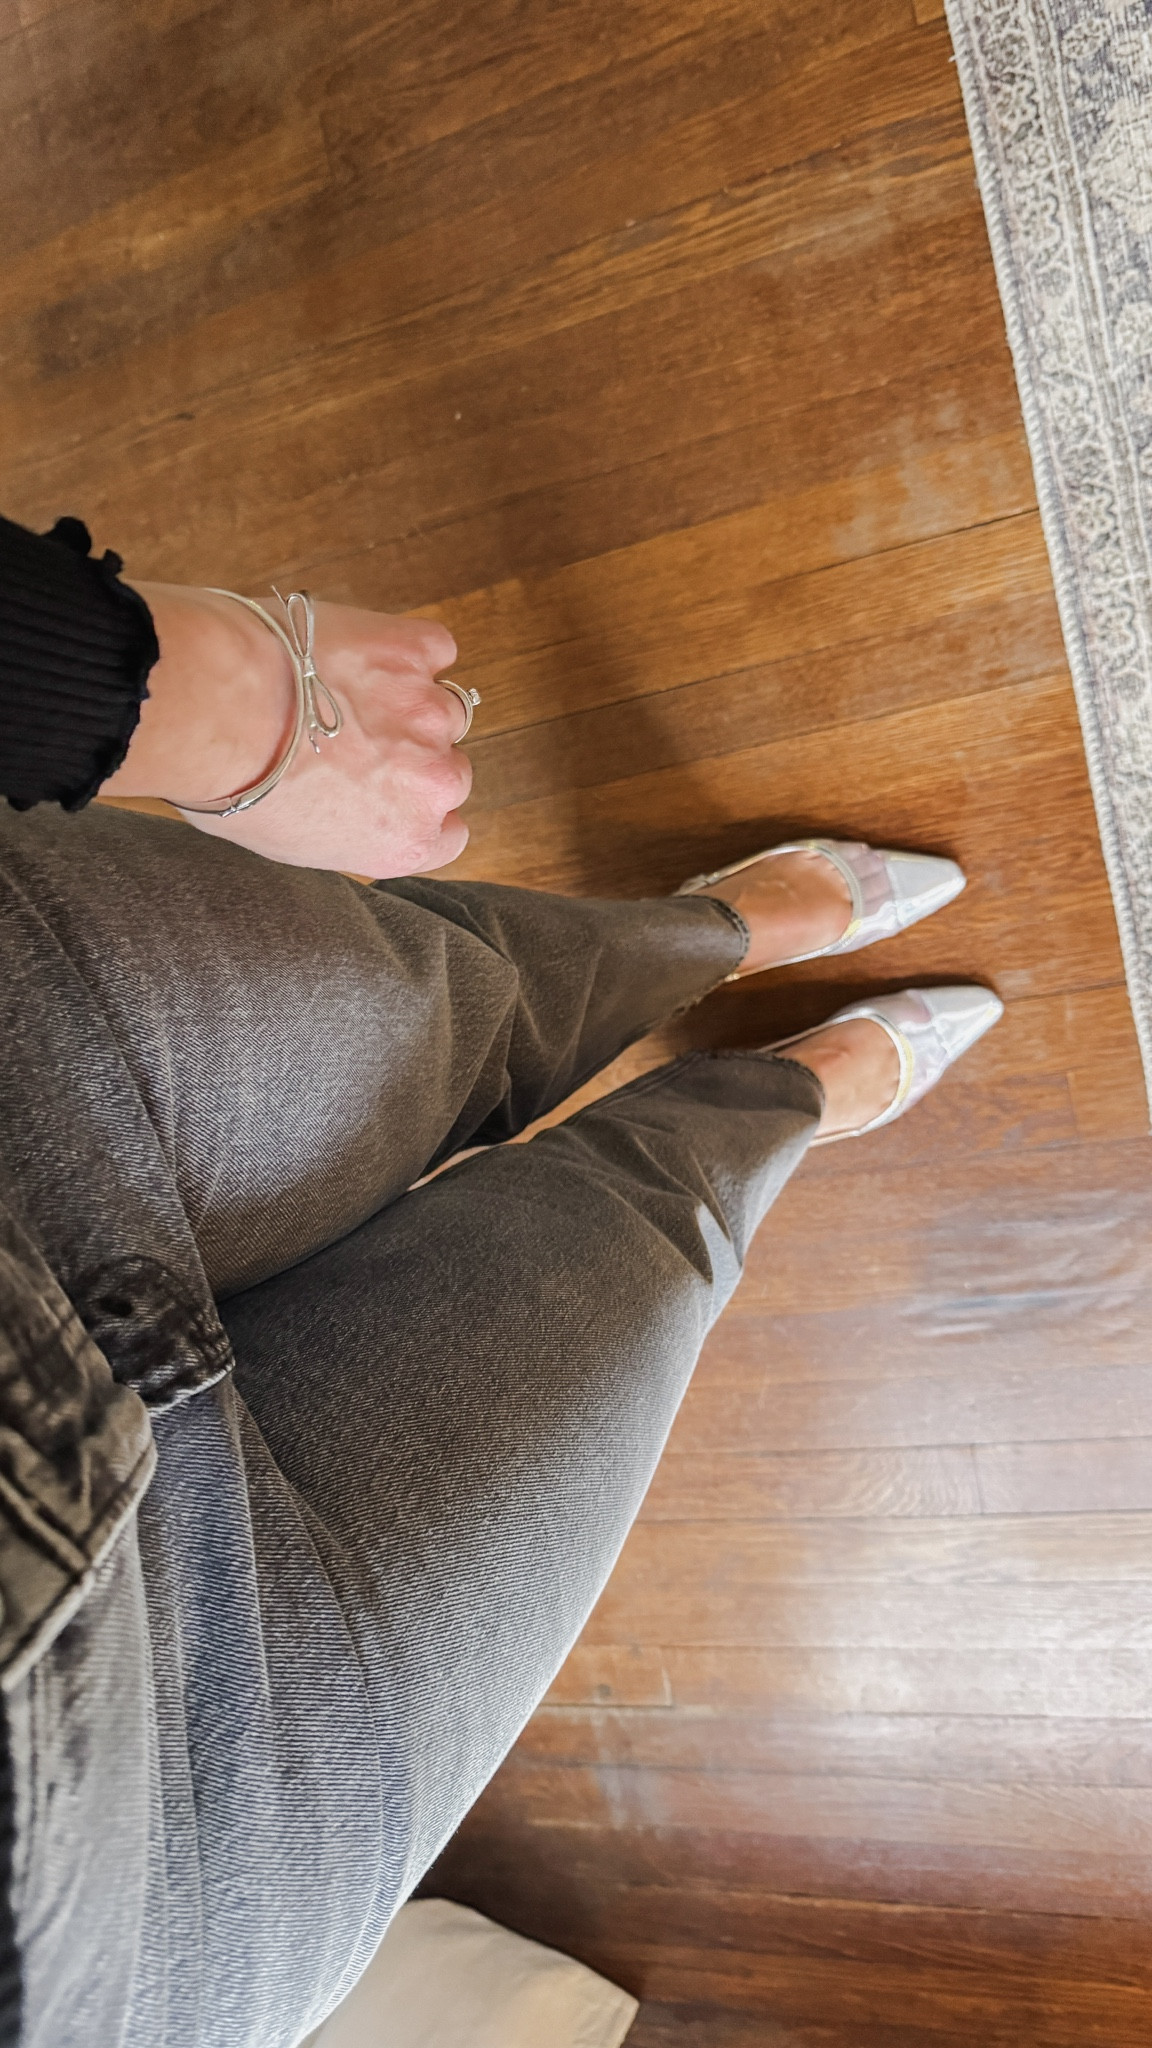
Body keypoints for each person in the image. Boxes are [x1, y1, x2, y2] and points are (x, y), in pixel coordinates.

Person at [0, 512, 1001, 2048]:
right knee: (650, 1240)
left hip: (27, 1104)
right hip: (174, 1884)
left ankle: (698, 937)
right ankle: (773, 1098)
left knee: (457, 1002)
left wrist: (187, 688)